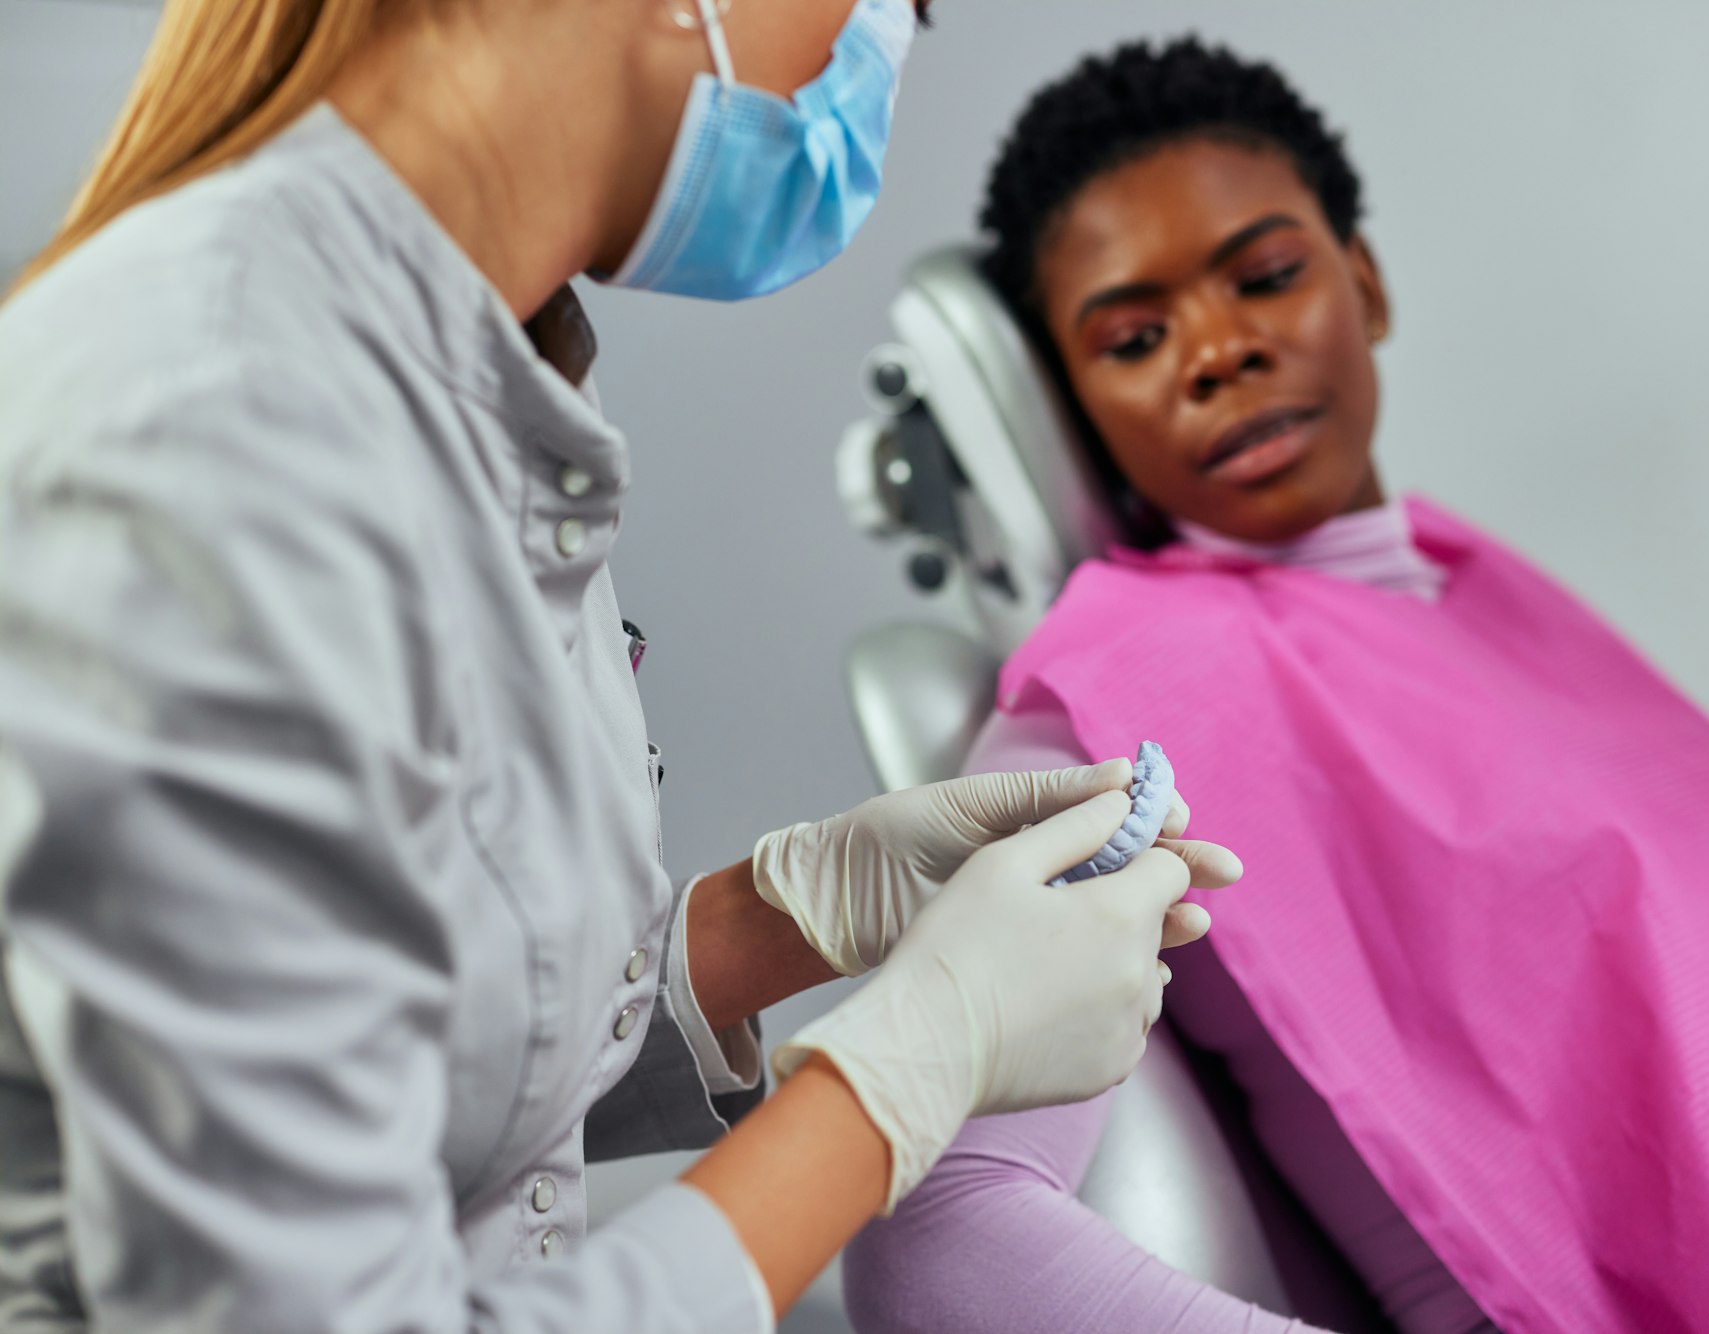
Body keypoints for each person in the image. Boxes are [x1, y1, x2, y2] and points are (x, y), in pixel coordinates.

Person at [0, 1, 1243, 1329]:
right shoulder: (219, 434)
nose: (880, 60)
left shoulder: (482, 377)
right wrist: (901, 1077)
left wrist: (784, 921)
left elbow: (416, 1051)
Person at [843, 38, 1709, 1334]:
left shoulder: (1456, 578)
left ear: (1368, 283)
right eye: (1134, 337)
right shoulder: (1107, 710)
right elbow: (946, 1238)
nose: (1216, 350)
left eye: (1267, 275)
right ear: (1076, 411)